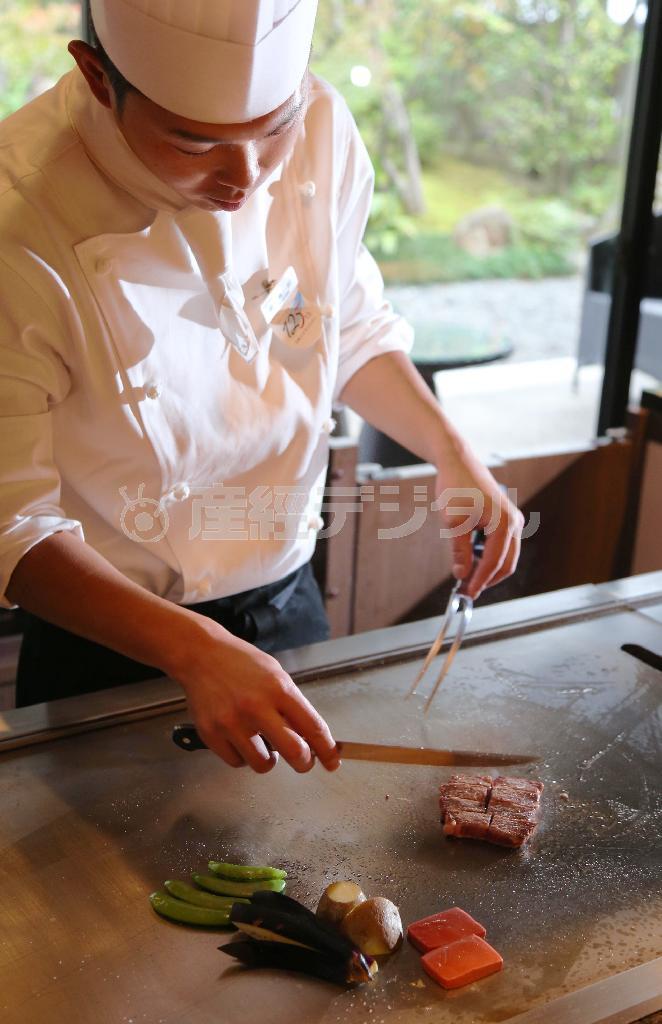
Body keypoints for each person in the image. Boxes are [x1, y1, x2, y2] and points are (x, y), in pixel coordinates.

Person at [0, 0, 523, 774]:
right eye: (193, 141)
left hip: (287, 604)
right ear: (97, 78)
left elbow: (342, 326)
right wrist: (195, 649)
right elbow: (12, 523)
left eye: (273, 127)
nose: (246, 176)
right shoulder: (21, 215)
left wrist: (452, 453)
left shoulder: (322, 128)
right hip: (109, 645)